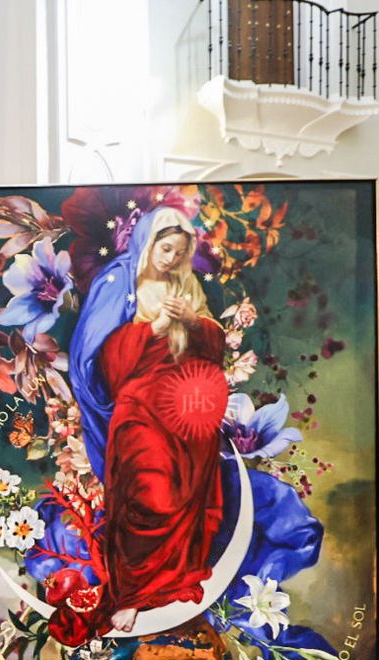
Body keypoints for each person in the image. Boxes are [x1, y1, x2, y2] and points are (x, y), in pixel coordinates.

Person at [73, 205, 227, 634]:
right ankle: (133, 594)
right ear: (148, 242)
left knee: (184, 499)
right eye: (165, 248)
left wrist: (194, 322)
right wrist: (156, 325)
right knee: (148, 497)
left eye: (179, 251)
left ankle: (166, 587)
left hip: (185, 413)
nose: (171, 258)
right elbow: (103, 359)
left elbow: (214, 348)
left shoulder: (188, 286)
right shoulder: (120, 284)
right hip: (139, 410)